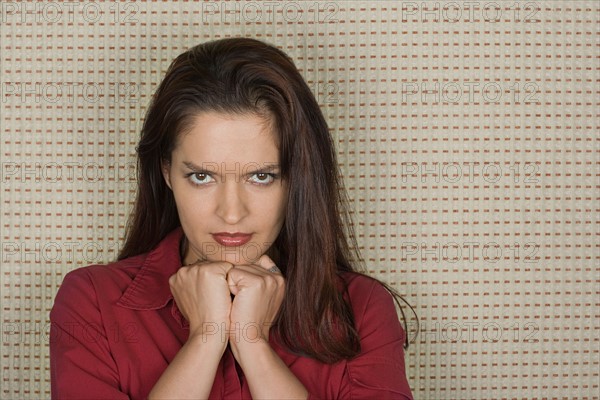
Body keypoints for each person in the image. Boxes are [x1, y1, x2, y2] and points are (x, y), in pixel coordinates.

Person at [50, 37, 414, 399]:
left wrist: (253, 346)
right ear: (166, 172)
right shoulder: (93, 303)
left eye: (261, 177)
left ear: (296, 178)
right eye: (202, 177)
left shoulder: (362, 309)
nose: (232, 212)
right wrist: (204, 339)